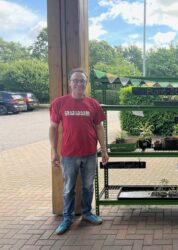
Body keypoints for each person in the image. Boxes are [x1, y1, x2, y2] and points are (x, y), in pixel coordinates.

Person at [49, 67, 109, 235]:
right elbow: (53, 128)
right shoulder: (59, 103)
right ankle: (67, 218)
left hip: (90, 153)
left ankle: (87, 213)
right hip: (68, 155)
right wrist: (54, 152)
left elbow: (99, 128)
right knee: (68, 188)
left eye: (82, 81)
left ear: (86, 83)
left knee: (88, 186)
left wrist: (103, 151)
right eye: (75, 80)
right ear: (70, 83)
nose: (79, 84)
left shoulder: (93, 104)